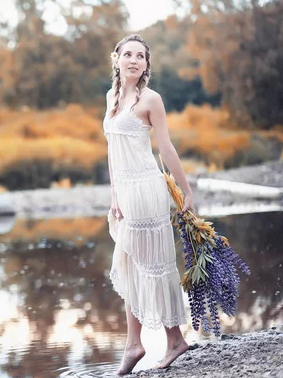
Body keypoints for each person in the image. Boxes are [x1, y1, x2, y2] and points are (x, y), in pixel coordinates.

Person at [102, 34, 193, 375]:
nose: (134, 60)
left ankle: (167, 341)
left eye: (140, 56)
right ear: (117, 59)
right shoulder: (112, 97)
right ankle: (139, 344)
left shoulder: (151, 100)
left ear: (146, 65)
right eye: (128, 54)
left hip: (147, 190)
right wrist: (114, 196)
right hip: (126, 194)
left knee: (153, 265)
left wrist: (185, 191)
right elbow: (113, 151)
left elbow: (166, 149)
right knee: (131, 266)